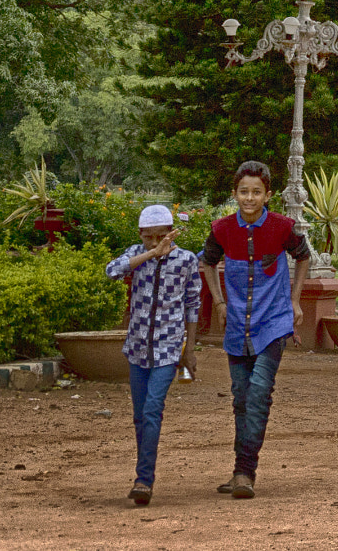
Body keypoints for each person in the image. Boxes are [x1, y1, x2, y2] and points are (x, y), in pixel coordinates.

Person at [199, 160, 312, 499]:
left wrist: (295, 300)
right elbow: (207, 262)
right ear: (235, 194)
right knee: (240, 399)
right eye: (244, 192)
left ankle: (245, 472)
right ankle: (240, 471)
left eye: (256, 192)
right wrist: (219, 302)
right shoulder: (221, 229)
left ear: (268, 195)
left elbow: (303, 257)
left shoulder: (283, 227)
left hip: (274, 323)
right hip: (236, 327)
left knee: (259, 394)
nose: (250, 198)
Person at [107, 205, 203, 505]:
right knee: (139, 416)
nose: (155, 241)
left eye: (162, 236)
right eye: (149, 237)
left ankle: (143, 479)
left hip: (168, 346)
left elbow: (192, 304)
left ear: (172, 232)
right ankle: (144, 473)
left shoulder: (185, 260)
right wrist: (150, 253)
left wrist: (190, 349)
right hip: (137, 347)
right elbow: (111, 271)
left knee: (152, 409)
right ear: (141, 235)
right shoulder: (136, 255)